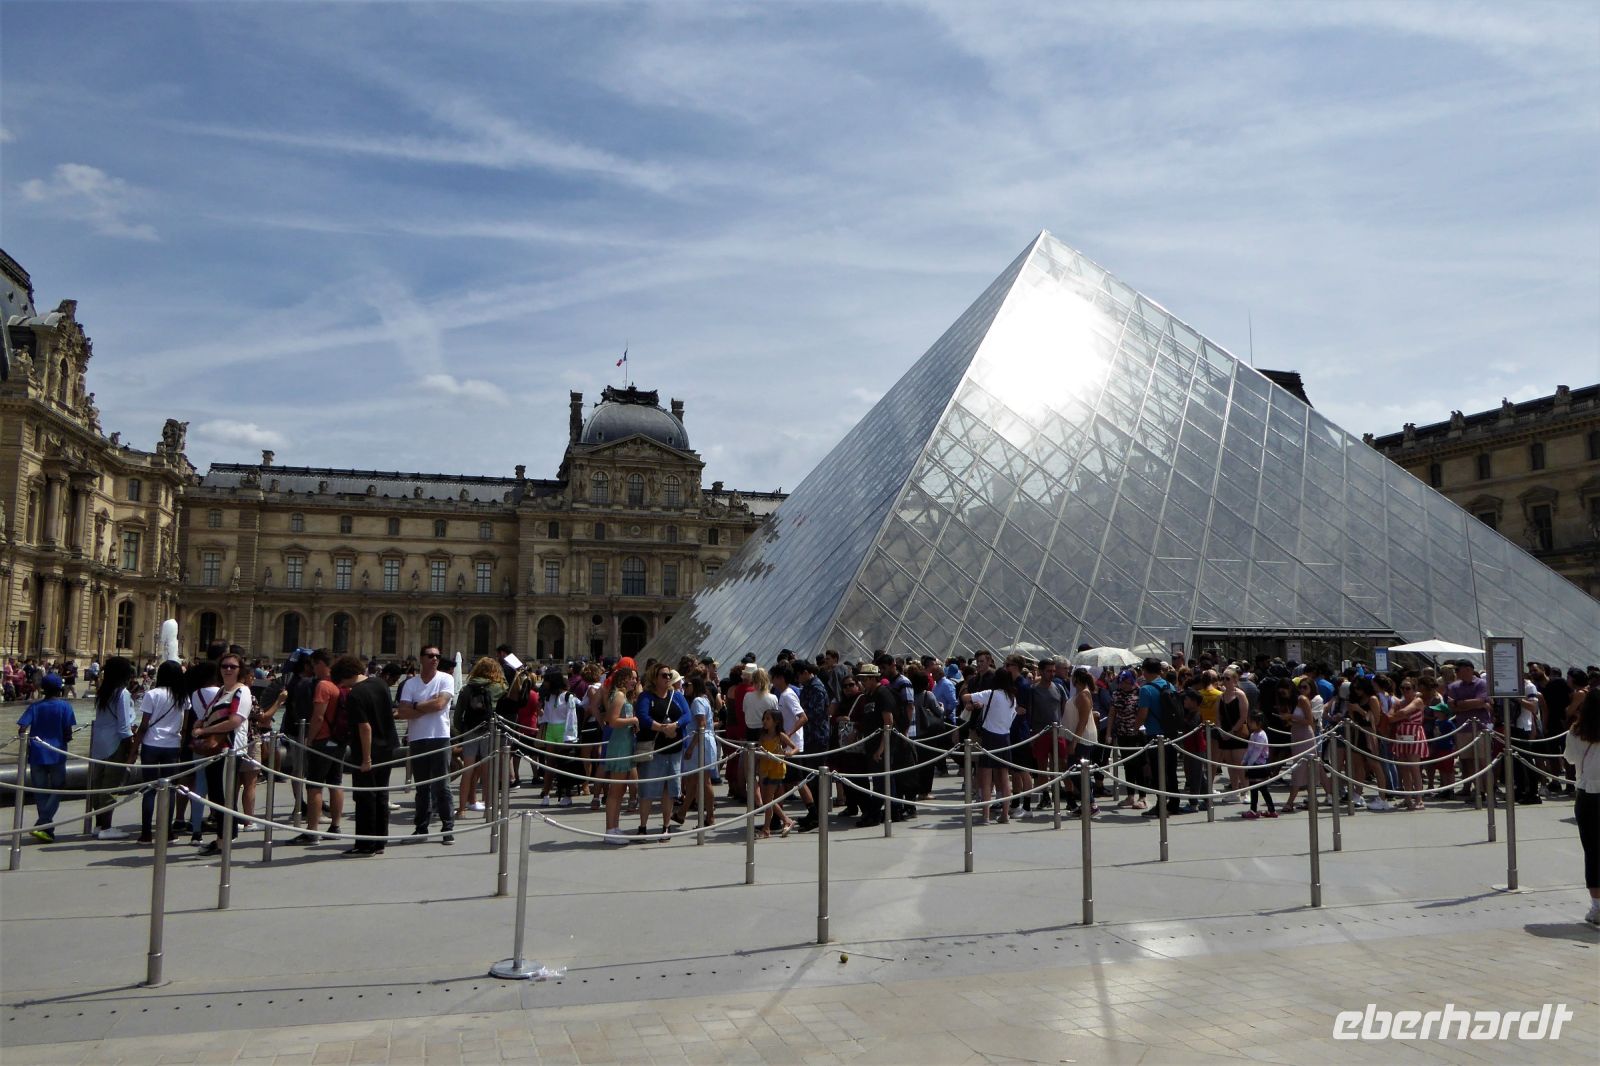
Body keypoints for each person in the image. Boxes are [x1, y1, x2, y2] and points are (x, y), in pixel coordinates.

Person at [334, 655, 398, 856]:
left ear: (346, 676)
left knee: (365, 796)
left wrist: (366, 758)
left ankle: (365, 844)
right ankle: (380, 841)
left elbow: (364, 728)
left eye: (340, 681)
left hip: (368, 750)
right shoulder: (380, 684)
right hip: (388, 746)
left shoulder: (356, 695)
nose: (340, 686)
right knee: (381, 794)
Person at [192, 652, 252, 856]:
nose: (227, 669)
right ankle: (225, 836)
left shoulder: (242, 691)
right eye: (224, 666)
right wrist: (200, 723)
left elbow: (235, 721)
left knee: (222, 796)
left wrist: (204, 731)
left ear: (240, 670)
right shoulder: (221, 692)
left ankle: (223, 840)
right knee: (218, 795)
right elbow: (211, 715)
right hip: (216, 750)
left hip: (229, 749)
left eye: (232, 667)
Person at [396, 644, 455, 845]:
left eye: (437, 656)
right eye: (430, 655)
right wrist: (424, 706)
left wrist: (414, 706)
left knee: (442, 786)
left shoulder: (446, 678)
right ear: (421, 658)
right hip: (418, 738)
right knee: (422, 787)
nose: (435, 659)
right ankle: (421, 827)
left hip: (439, 736)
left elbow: (440, 705)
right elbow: (402, 712)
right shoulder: (410, 683)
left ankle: (448, 827)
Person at [16, 673, 75, 843]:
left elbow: (22, 728)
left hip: (37, 753)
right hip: (57, 753)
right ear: (59, 689)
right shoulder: (65, 707)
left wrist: (27, 741)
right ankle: (43, 824)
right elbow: (68, 732)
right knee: (58, 788)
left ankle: (46, 827)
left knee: (40, 791)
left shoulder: (35, 707)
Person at [133, 661, 187, 843]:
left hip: (151, 745)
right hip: (172, 745)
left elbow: (143, 725)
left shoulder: (152, 694)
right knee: (170, 790)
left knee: (149, 790)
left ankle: (146, 833)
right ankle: (167, 832)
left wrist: (134, 750)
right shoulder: (182, 696)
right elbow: (185, 726)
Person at [636, 664, 691, 839]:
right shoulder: (646, 696)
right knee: (647, 790)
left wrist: (675, 725)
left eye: (669, 675)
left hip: (674, 750)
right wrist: (662, 728)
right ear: (654, 677)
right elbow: (643, 717)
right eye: (664, 675)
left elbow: (687, 715)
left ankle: (665, 826)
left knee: (669, 790)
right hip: (655, 750)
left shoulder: (677, 695)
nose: (668, 678)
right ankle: (643, 826)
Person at [86, 656, 138, 840]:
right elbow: (124, 726)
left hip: (99, 743)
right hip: (115, 743)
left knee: (99, 785)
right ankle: (106, 828)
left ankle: (99, 825)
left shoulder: (104, 691)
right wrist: (132, 746)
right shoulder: (121, 693)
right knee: (111, 785)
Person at [1561, 687, 1600, 926]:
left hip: (1588, 794)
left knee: (1593, 852)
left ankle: (1597, 907)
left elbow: (1571, 759)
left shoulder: (1577, 732)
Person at [963, 665, 1019, 825]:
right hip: (1005, 737)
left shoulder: (991, 694)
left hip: (989, 736)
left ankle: (986, 815)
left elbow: (967, 697)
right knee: (1003, 776)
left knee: (986, 777)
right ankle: (1005, 814)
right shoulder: (1012, 697)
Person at [454, 658, 506, 817]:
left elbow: (457, 716)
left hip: (470, 731)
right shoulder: (499, 687)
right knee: (487, 772)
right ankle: (489, 810)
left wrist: (461, 732)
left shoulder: (467, 688)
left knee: (467, 771)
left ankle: (462, 810)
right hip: (488, 731)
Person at [602, 662, 640, 844]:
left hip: (624, 744)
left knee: (620, 790)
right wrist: (633, 720)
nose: (635, 681)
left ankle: (614, 827)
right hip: (619, 746)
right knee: (615, 791)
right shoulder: (618, 696)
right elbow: (612, 721)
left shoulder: (622, 695)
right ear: (624, 678)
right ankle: (610, 829)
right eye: (632, 678)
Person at [756, 708, 798, 837]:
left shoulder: (780, 736)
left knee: (768, 800)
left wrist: (789, 753)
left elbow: (795, 747)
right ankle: (786, 820)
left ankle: (766, 829)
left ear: (776, 722)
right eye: (764, 718)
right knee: (768, 800)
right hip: (764, 769)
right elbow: (759, 753)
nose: (765, 721)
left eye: (768, 719)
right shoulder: (763, 736)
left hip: (776, 770)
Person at [1239, 711, 1277, 819]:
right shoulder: (1253, 734)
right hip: (1253, 765)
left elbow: (1257, 752)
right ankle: (1262, 810)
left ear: (1259, 723)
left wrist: (1249, 764)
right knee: (1255, 788)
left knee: (1261, 789)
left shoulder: (1261, 735)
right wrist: (1244, 760)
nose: (1249, 724)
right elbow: (1249, 749)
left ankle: (1262, 810)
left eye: (1251, 722)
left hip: (1259, 766)